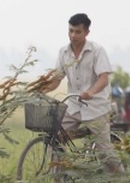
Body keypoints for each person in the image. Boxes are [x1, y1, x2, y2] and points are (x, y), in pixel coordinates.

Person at [38, 13, 124, 174]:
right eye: (70, 31)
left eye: (78, 32)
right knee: (55, 136)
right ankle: (57, 178)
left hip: (96, 107)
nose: (73, 35)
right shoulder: (63, 53)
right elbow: (57, 80)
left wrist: (91, 92)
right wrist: (40, 90)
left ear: (86, 33)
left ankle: (123, 179)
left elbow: (104, 79)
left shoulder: (97, 51)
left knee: (105, 151)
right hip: (74, 107)